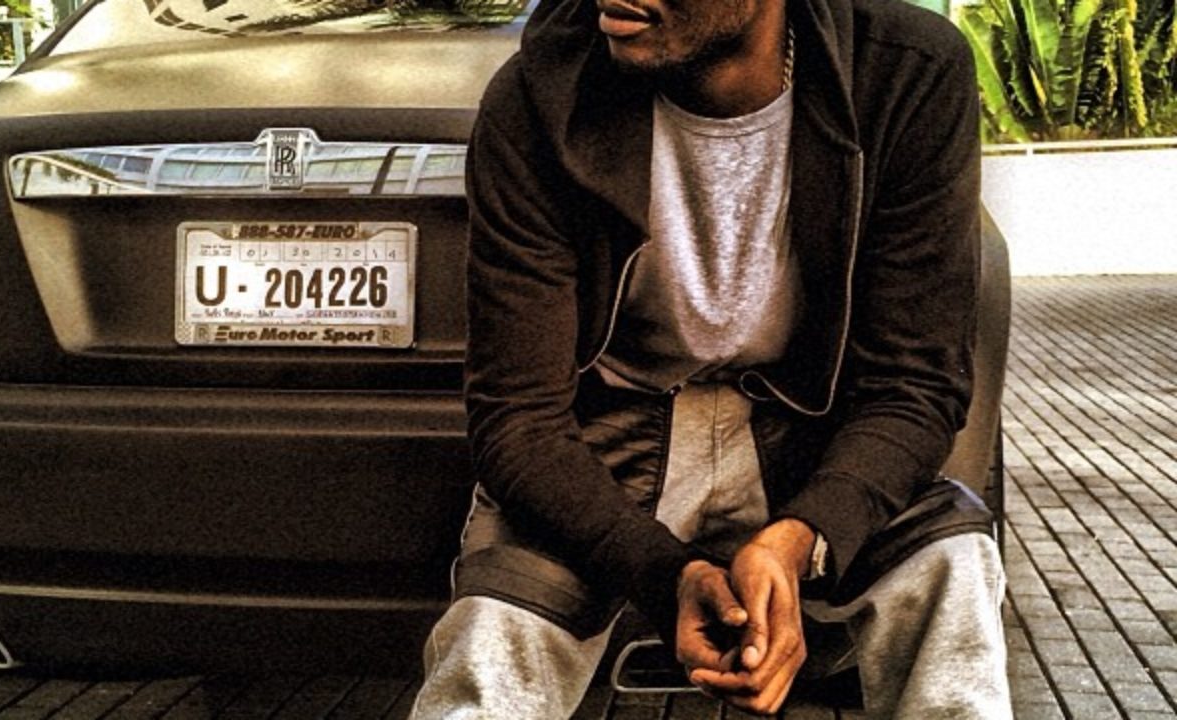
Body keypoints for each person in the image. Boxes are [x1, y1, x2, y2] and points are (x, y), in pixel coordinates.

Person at [410, 0, 1011, 716]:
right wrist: (668, 576)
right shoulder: (540, 94)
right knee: (492, 637)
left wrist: (799, 541)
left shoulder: (904, 71)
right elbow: (518, 420)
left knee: (952, 568)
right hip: (606, 443)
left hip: (810, 433)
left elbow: (914, 385)